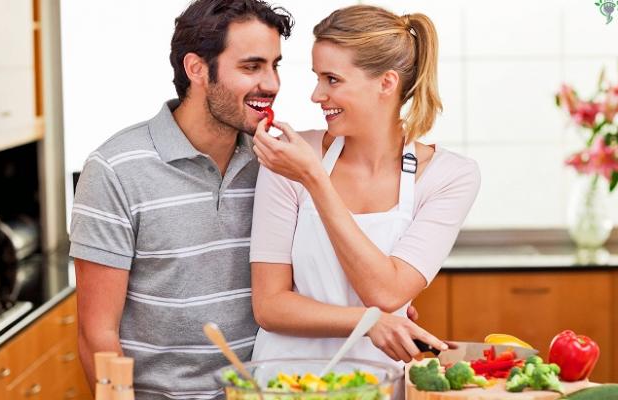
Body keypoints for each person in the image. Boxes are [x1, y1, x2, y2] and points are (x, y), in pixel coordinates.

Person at [69, 1, 293, 398]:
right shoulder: (115, 168)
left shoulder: (275, 164)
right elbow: (96, 333)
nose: (272, 83)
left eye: (275, 65)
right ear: (197, 69)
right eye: (251, 66)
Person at [249, 3, 481, 374]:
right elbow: (269, 305)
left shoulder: (449, 176)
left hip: (380, 383)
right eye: (317, 77)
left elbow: (387, 291)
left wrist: (315, 181)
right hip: (285, 383)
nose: (316, 94)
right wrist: (370, 321)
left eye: (332, 79)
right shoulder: (291, 157)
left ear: (386, 83)